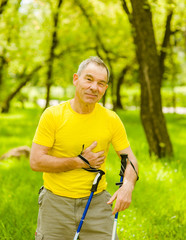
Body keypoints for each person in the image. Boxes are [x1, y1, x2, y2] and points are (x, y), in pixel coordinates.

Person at [30, 56, 138, 240]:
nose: (94, 87)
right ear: (76, 79)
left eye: (101, 83)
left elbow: (129, 159)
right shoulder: (53, 116)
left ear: (105, 88)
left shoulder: (111, 119)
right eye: (89, 79)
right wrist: (78, 162)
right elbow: (36, 161)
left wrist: (127, 185)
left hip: (96, 202)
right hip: (56, 202)